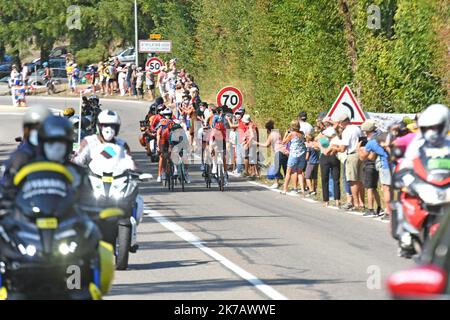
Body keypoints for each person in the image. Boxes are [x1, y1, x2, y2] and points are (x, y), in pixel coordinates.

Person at [0, 105, 52, 197]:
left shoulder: (59, 155)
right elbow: (5, 185)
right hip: (25, 205)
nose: (39, 133)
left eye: (43, 128)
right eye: (35, 129)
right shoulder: (19, 157)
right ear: (27, 130)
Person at [335, 114, 364, 210]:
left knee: (352, 180)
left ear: (343, 122)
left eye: (340, 123)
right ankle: (361, 202)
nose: (339, 125)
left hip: (352, 155)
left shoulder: (347, 131)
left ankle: (355, 203)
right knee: (360, 180)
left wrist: (335, 148)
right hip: (360, 154)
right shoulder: (357, 128)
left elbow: (343, 148)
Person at [358, 120, 382, 217]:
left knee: (369, 188)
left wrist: (359, 150)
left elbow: (369, 156)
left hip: (370, 165)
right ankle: (380, 207)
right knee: (374, 188)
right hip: (375, 165)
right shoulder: (377, 137)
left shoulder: (372, 140)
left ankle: (371, 209)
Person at [257, 120, 288, 189]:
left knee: (277, 168)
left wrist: (257, 143)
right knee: (285, 168)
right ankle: (286, 183)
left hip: (278, 152)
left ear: (268, 129)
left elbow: (266, 145)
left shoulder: (271, 135)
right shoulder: (278, 132)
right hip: (285, 151)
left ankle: (276, 183)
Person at [281, 120, 306, 195]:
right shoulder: (302, 133)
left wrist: (286, 134)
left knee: (288, 172)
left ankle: (284, 189)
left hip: (294, 155)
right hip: (302, 154)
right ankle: (302, 190)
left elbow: (283, 142)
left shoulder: (292, 134)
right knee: (299, 172)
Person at [318, 127, 341, 207]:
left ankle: (326, 200)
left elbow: (324, 151)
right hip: (334, 158)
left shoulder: (322, 139)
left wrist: (321, 147)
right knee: (336, 179)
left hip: (324, 158)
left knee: (325, 179)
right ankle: (337, 200)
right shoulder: (337, 139)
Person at [155, 108, 175, 183]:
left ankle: (175, 169)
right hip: (163, 141)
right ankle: (160, 174)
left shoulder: (174, 121)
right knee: (162, 156)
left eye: (168, 115)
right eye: (166, 115)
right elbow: (158, 134)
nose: (167, 116)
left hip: (172, 141)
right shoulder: (161, 122)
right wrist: (157, 145)